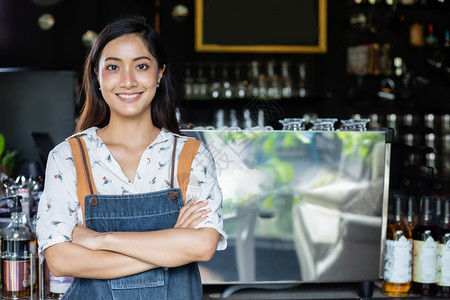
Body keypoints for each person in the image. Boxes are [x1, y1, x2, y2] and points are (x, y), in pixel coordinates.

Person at [36, 16, 226, 299]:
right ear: (97, 75)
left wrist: (101, 240)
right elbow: (61, 260)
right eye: (113, 67)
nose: (128, 80)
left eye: (141, 66)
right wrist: (171, 249)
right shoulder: (68, 158)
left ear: (159, 74)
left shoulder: (190, 156)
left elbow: (202, 246)